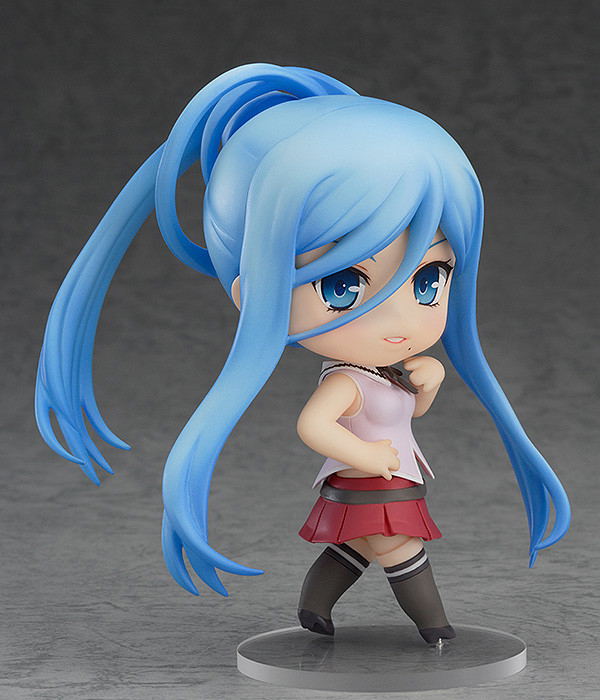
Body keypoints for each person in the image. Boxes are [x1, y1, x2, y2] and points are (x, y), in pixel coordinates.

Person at [35, 63, 570, 643]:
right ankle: (435, 628)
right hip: (371, 481)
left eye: (428, 281)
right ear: (253, 292)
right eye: (343, 286)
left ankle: (315, 608)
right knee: (398, 549)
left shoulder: (383, 372)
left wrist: (429, 383)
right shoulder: (346, 382)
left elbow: (404, 415)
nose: (400, 320)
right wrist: (364, 455)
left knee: (355, 548)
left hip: (386, 476)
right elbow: (313, 426)